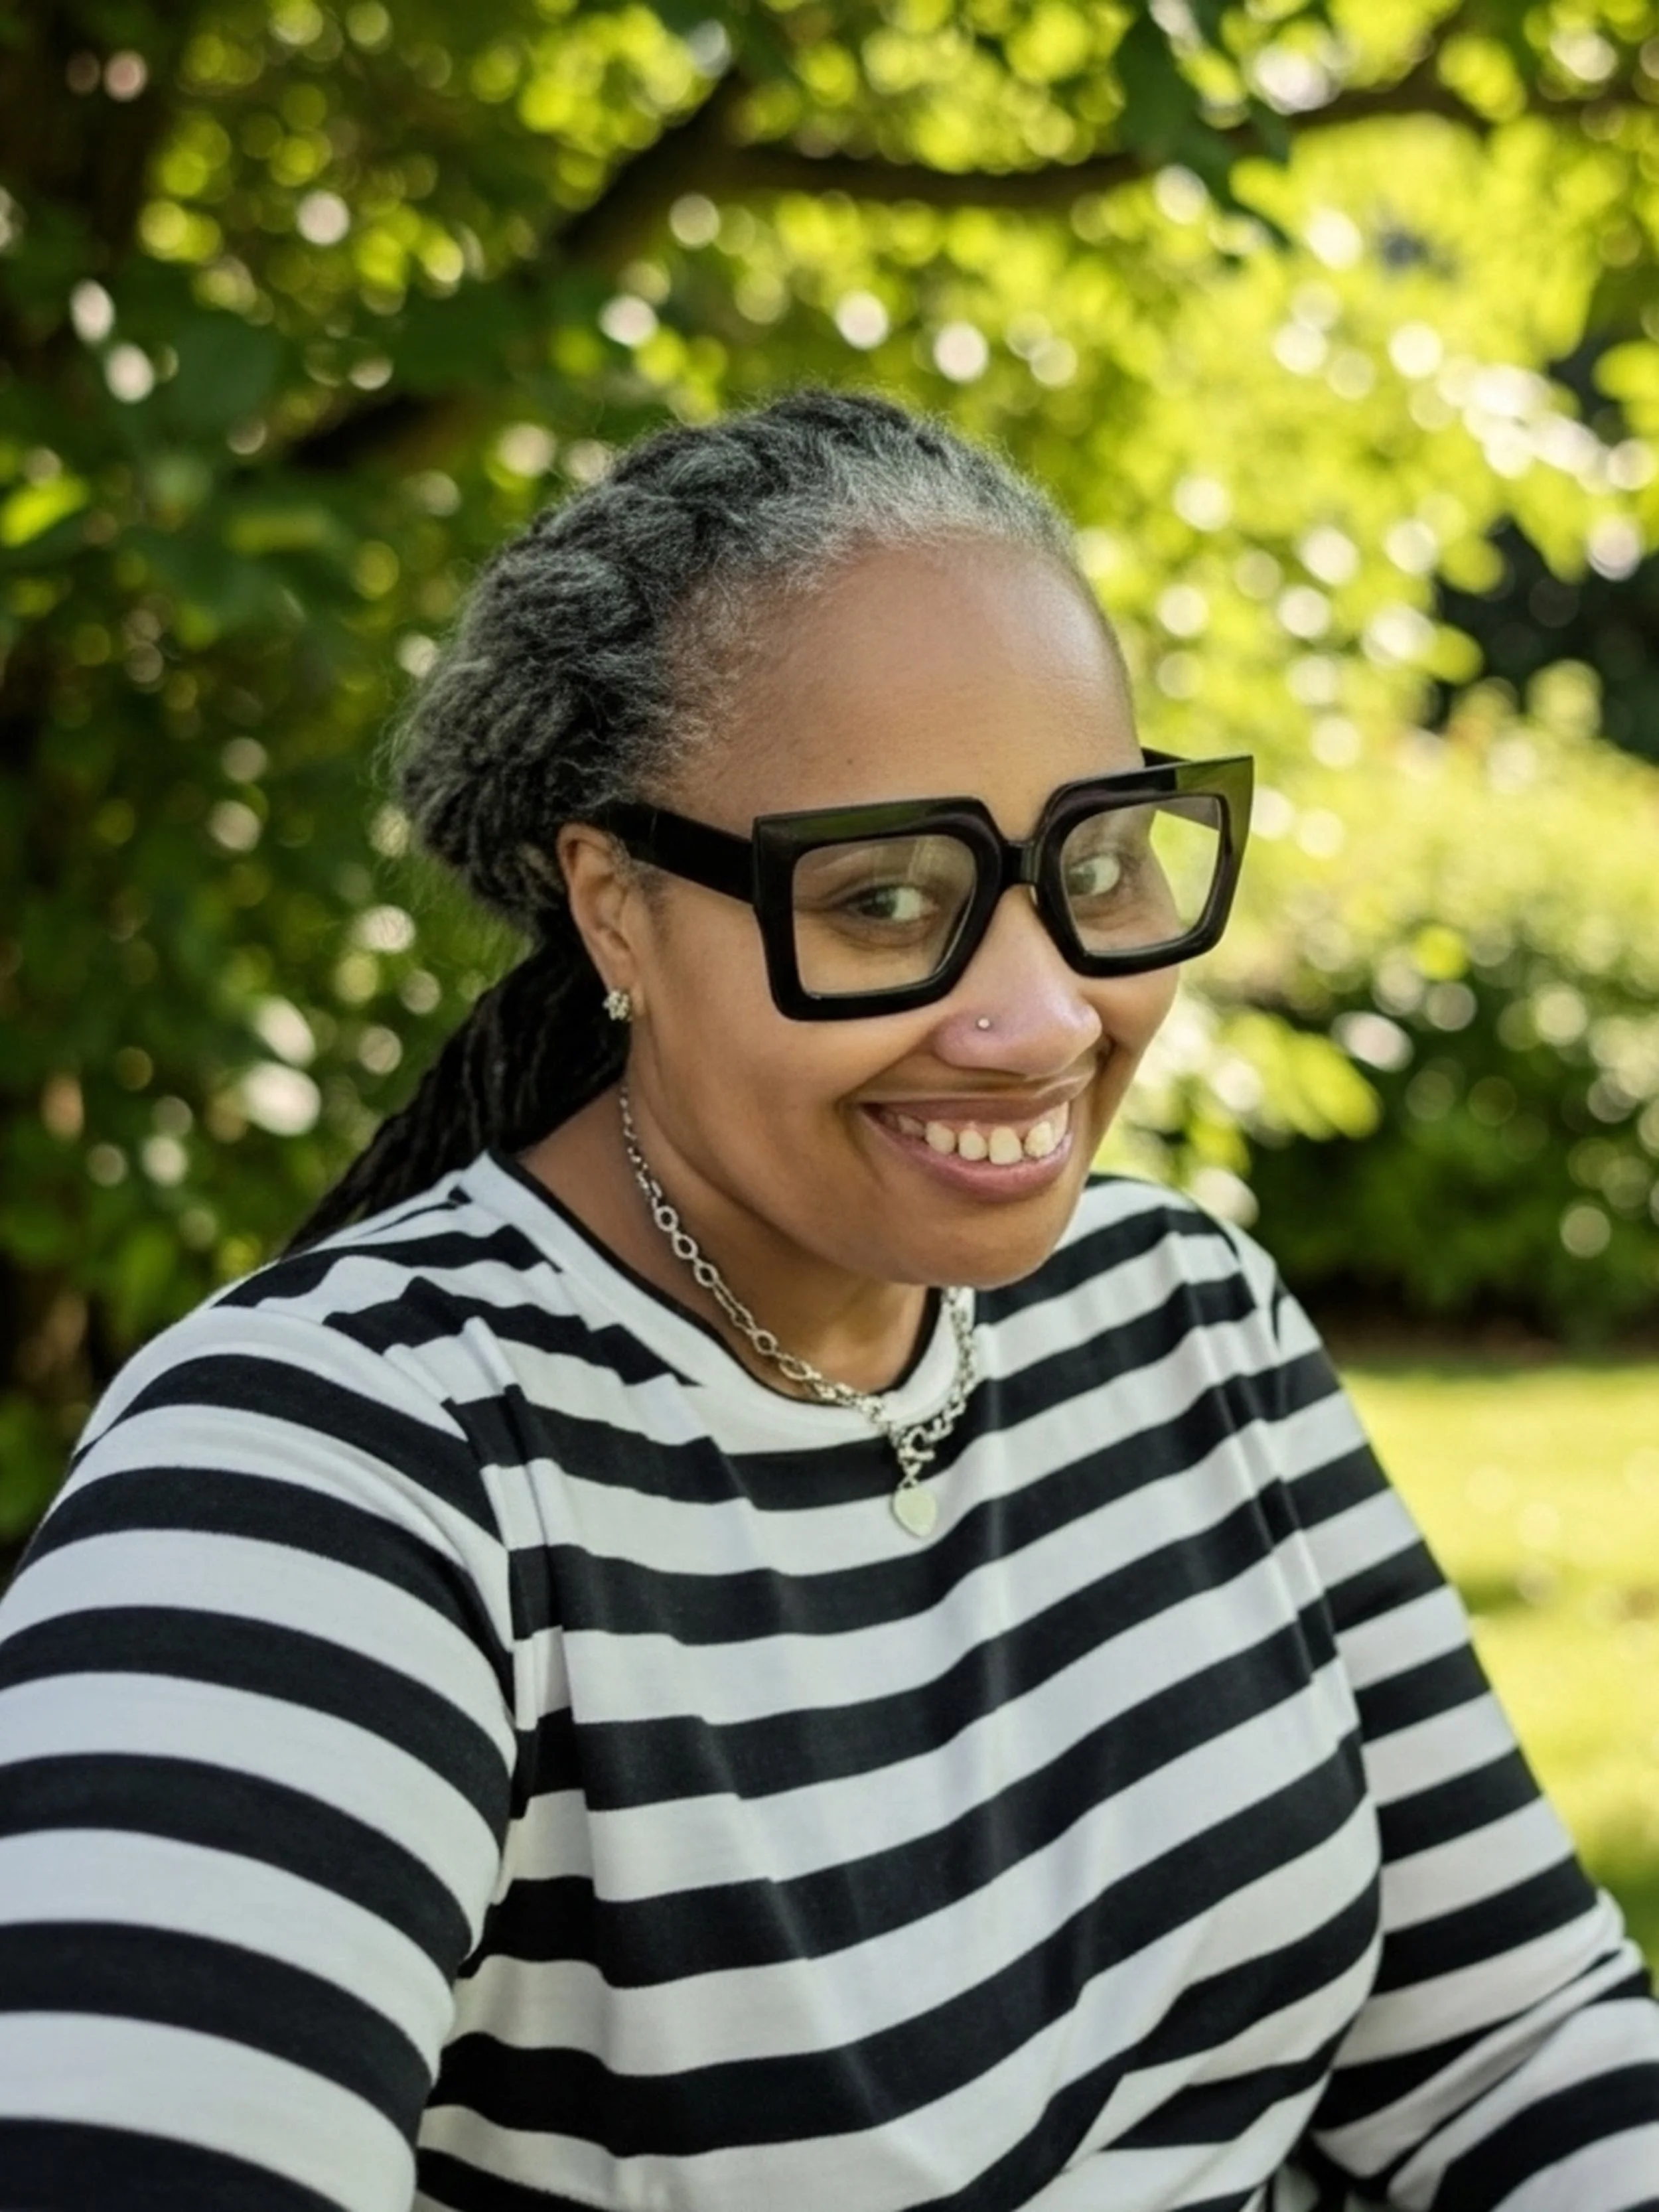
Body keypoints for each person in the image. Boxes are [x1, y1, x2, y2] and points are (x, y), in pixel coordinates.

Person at [0, 389, 1654, 2212]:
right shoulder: (334, 1477)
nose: (1041, 1016)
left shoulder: (1182, 1316)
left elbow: (1512, 2048)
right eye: (883, 898)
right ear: (615, 909)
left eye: (1093, 867)